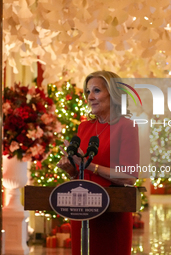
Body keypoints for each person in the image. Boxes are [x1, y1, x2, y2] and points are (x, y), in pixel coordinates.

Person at [57, 70, 140, 255]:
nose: (90, 97)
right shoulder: (84, 127)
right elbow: (81, 173)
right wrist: (71, 169)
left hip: (111, 215)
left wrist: (88, 164)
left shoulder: (126, 126)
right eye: (88, 92)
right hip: (81, 212)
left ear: (113, 94)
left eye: (96, 91)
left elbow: (129, 177)